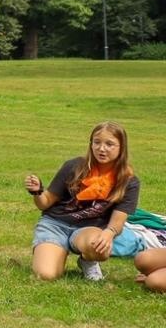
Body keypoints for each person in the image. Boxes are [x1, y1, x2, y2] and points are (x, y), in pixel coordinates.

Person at [25, 121, 146, 282]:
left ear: (121, 148)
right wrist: (37, 191)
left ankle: (87, 261)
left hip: (89, 229)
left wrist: (108, 234)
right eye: (97, 142)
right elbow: (44, 203)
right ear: (91, 144)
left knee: (100, 247)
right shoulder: (74, 166)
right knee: (46, 275)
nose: (101, 149)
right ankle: (54, 252)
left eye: (109, 144)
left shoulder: (128, 181)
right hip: (55, 224)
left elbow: (117, 223)